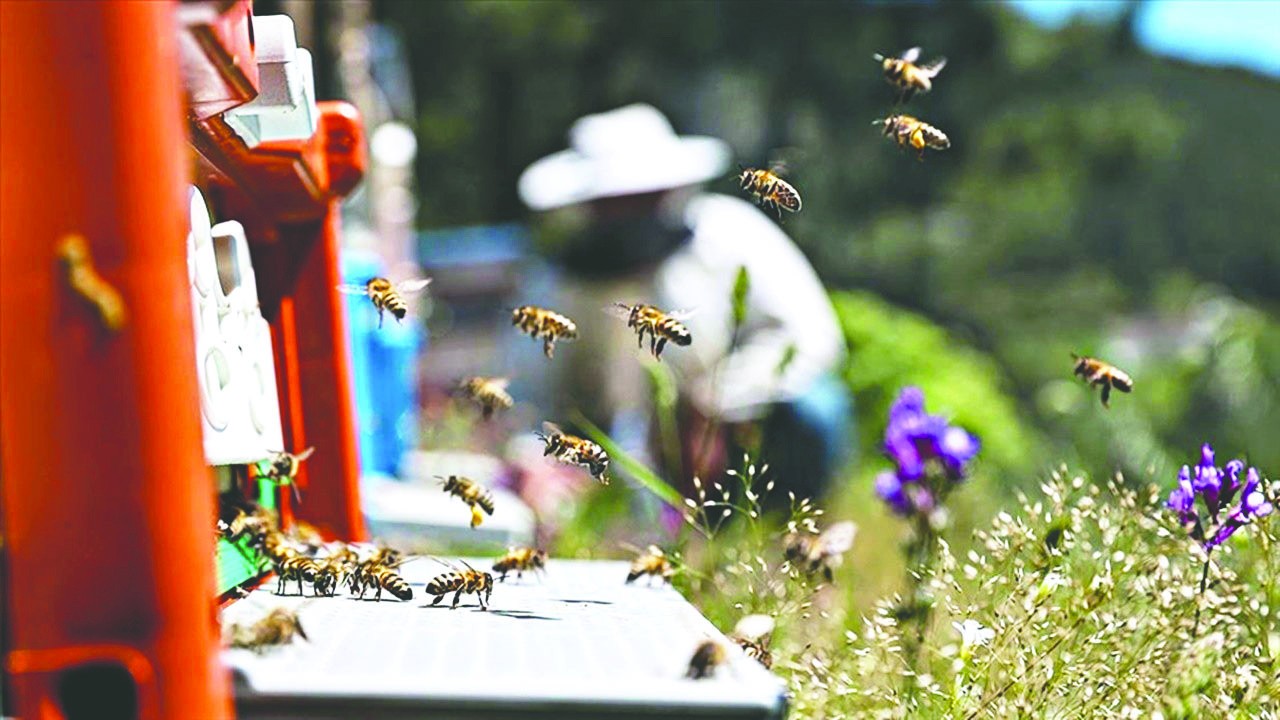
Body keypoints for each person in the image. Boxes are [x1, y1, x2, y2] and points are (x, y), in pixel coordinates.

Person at [517, 103, 849, 502]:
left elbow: (813, 337)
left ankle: (786, 520)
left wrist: (715, 403)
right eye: (613, 201)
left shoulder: (728, 232)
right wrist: (536, 459)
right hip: (606, 459)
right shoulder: (559, 281)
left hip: (738, 429)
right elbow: (525, 393)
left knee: (817, 408)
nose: (626, 213)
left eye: (638, 197)